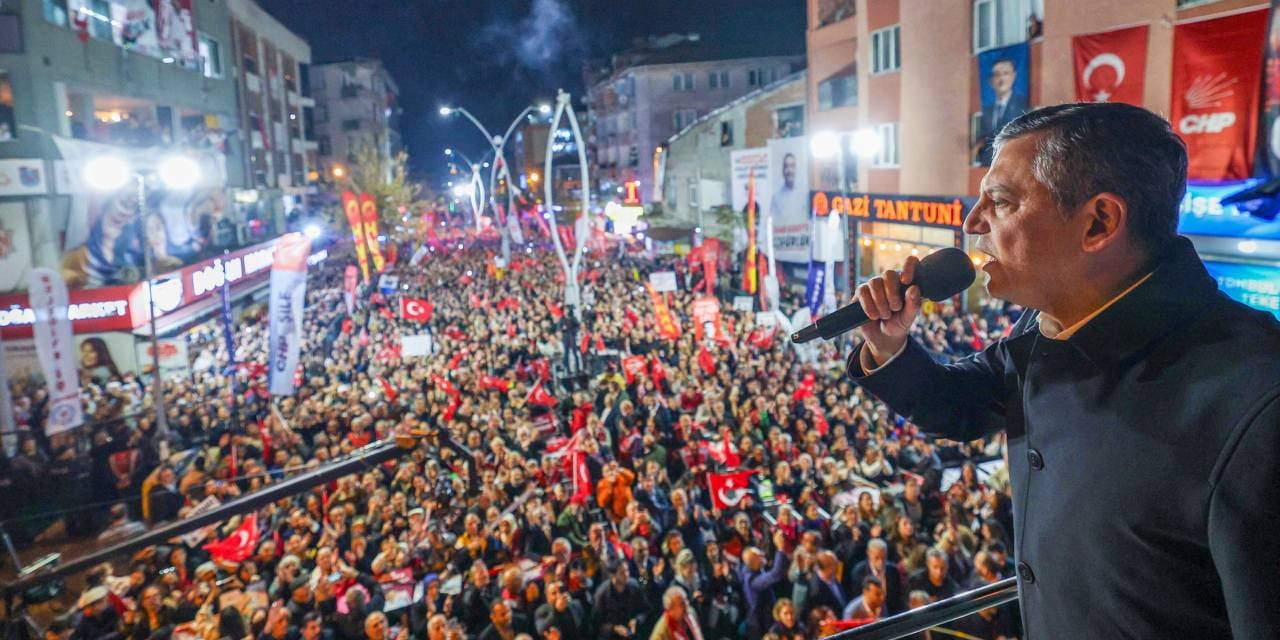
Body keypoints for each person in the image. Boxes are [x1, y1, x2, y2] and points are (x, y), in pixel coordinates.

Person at [849, 102, 1280, 638]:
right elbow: (962, 405)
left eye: (1000, 202)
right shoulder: (1047, 322)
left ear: (1099, 223)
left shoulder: (1256, 405)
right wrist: (890, 345)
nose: (972, 222)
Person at [971, 57, 1029, 166]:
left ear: (1013, 76)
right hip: (988, 167)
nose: (1001, 79)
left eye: (1006, 73)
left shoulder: (1025, 105)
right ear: (991, 81)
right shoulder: (986, 111)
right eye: (997, 75)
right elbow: (979, 142)